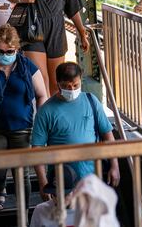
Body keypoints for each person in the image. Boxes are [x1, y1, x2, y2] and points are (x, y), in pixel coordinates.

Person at [0, 24, 48, 211]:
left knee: (22, 173)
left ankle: (24, 209)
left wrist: (40, 122)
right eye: (0, 51)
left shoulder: (27, 66)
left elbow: (42, 94)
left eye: (10, 51)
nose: (5, 54)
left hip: (23, 127)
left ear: (17, 49)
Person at [6, 0, 90, 96]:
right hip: (32, 30)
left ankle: (53, 116)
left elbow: (73, 9)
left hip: (56, 30)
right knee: (40, 79)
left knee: (55, 81)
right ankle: (42, 116)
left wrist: (82, 33)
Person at [31, 62, 119, 192]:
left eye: (75, 85)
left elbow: (107, 134)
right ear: (58, 83)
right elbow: (37, 148)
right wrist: (43, 181)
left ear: (80, 80)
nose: (72, 90)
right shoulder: (46, 111)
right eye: (66, 86)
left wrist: (114, 165)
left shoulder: (91, 101)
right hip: (62, 181)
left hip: (93, 177)